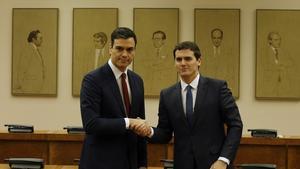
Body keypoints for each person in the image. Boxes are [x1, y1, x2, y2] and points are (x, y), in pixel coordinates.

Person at [134, 41, 243, 169]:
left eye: (188, 59)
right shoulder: (167, 95)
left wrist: (224, 160)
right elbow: (165, 133)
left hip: (215, 164)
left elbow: (235, 124)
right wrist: (148, 131)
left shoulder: (217, 88)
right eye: (178, 59)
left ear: (199, 61)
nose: (183, 63)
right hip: (183, 164)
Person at [79, 27, 147, 169]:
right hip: (100, 163)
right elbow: (91, 124)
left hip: (130, 163)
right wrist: (128, 122)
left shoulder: (137, 80)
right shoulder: (93, 80)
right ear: (110, 48)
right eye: (119, 48)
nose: (124, 54)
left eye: (130, 50)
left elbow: (139, 126)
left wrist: (142, 164)